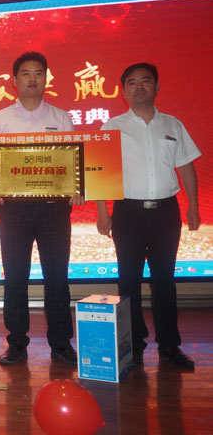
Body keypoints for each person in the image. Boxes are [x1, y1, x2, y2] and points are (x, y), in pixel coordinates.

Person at [96, 63, 200, 368]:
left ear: (157, 87)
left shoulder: (173, 125)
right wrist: (102, 212)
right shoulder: (112, 127)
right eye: (132, 82)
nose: (139, 87)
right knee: (128, 280)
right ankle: (133, 343)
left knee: (164, 280)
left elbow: (186, 166)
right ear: (123, 91)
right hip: (128, 213)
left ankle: (169, 345)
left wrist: (194, 205)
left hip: (166, 213)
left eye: (145, 81)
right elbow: (100, 172)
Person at [0, 52, 84, 365]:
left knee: (56, 277)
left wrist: (77, 188)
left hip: (54, 209)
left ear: (46, 78)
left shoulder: (61, 118)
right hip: (14, 210)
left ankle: (61, 344)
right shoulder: (1, 119)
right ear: (14, 80)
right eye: (26, 73)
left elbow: (73, 162)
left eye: (38, 73)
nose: (32, 79)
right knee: (15, 277)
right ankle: (17, 343)